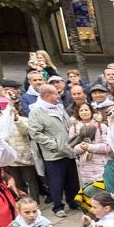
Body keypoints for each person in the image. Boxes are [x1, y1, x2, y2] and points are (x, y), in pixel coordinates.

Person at [27, 84, 78, 215]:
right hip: (54, 154)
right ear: (47, 96)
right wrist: (53, 145)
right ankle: (58, 207)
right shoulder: (36, 112)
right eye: (56, 93)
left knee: (72, 180)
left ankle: (73, 201)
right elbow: (35, 133)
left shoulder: (59, 107)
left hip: (69, 150)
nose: (59, 95)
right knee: (56, 182)